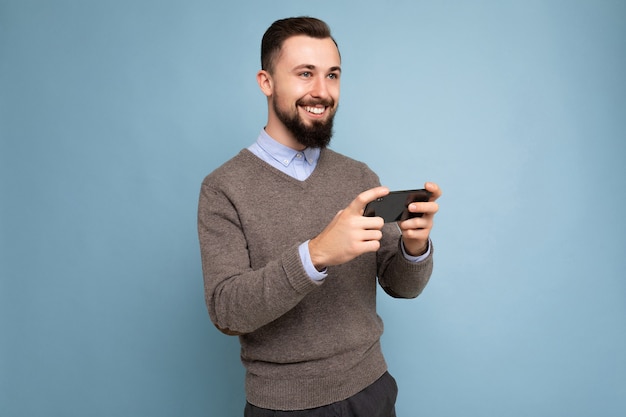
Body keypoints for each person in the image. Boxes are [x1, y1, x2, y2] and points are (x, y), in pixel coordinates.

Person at [197, 16, 441, 417]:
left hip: (373, 392)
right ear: (266, 82)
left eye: (332, 75)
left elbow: (402, 286)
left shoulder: (359, 176)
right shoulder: (223, 188)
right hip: (285, 406)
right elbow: (226, 311)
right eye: (305, 74)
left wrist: (415, 248)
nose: (322, 91)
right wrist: (315, 255)